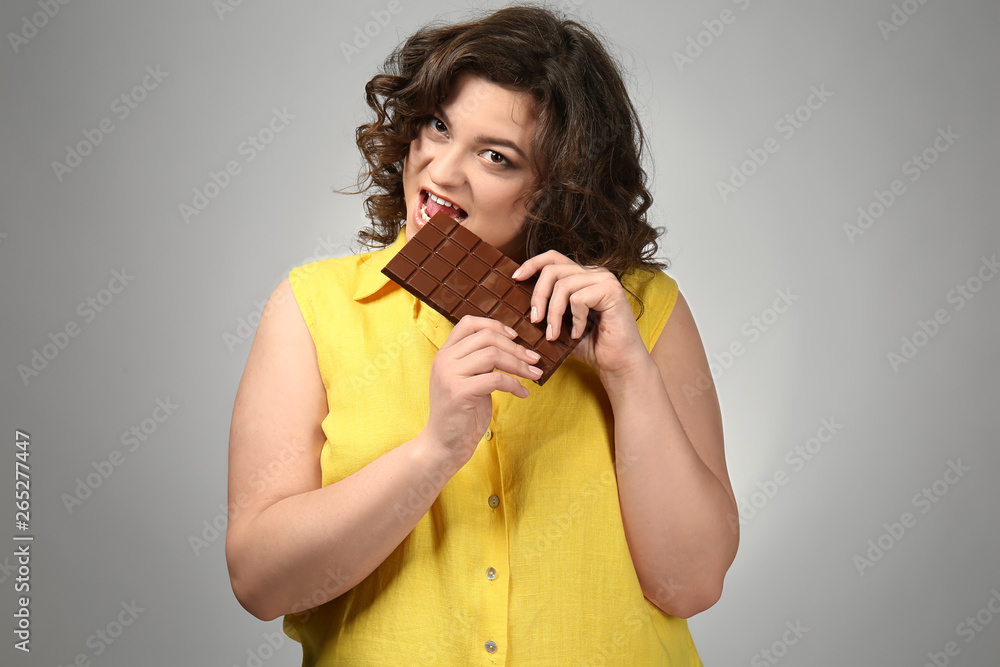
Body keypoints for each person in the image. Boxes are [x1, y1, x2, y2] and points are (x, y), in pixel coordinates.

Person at [226, 5, 738, 665]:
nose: (441, 171)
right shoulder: (313, 306)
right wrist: (434, 451)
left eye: (496, 156)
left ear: (557, 189)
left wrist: (628, 375)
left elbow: (691, 582)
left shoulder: (645, 310)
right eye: (438, 126)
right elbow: (261, 582)